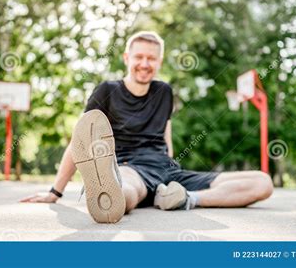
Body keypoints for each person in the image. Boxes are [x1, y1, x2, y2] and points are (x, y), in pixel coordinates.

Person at [21, 31, 273, 223]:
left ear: (159, 61)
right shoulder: (107, 91)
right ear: (126, 58)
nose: (145, 63)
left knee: (262, 183)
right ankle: (109, 195)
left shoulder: (164, 91)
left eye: (151, 58)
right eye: (139, 57)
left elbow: (166, 136)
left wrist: (174, 175)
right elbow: (80, 142)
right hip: (128, 165)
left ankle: (183, 200)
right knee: (127, 186)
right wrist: (55, 191)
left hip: (167, 174)